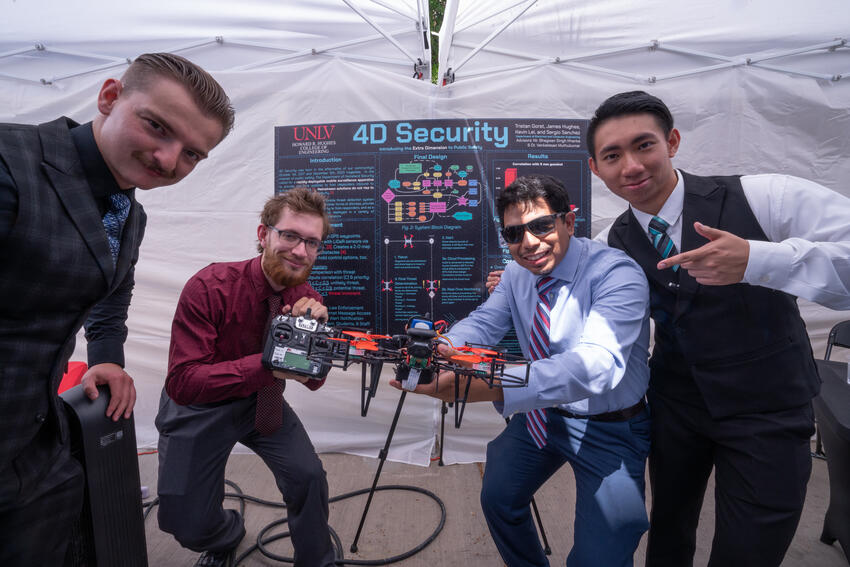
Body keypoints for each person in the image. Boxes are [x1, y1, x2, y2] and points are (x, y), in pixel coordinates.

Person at [586, 90, 850, 566]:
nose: (631, 166)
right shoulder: (611, 244)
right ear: (595, 168)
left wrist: (760, 259)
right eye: (612, 155)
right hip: (676, 410)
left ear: (673, 141)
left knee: (750, 549)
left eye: (644, 145)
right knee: (667, 529)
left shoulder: (767, 196)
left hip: (769, 410)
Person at [0, 53, 233, 565]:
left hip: (43, 447)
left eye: (192, 154)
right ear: (109, 98)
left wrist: (108, 358)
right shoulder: (9, 160)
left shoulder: (128, 211)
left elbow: (110, 299)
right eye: (157, 127)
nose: (169, 160)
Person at [399, 174, 653, 567]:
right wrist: (443, 348)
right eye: (515, 233)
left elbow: (595, 368)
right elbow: (485, 323)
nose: (529, 242)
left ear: (568, 222)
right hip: (544, 416)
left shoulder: (617, 274)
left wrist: (493, 385)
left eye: (541, 226)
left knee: (601, 557)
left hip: (611, 427)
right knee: (499, 497)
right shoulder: (518, 272)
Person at [155, 188, 337, 567]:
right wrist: (268, 363)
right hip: (199, 407)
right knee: (185, 524)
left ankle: (317, 561)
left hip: (262, 402)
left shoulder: (307, 298)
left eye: (312, 243)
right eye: (289, 236)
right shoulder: (210, 287)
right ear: (263, 235)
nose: (300, 251)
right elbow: (184, 382)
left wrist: (312, 338)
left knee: (308, 477)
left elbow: (314, 381)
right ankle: (227, 533)